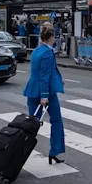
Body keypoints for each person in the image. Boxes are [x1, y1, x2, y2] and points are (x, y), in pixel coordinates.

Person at [23, 23, 65, 165]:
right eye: (54, 37)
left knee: (30, 126)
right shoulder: (48, 53)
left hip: (32, 90)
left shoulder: (36, 51)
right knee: (57, 121)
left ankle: (19, 151)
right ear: (51, 37)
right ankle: (54, 151)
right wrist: (45, 96)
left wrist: (59, 80)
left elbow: (41, 72)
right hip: (45, 92)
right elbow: (45, 75)